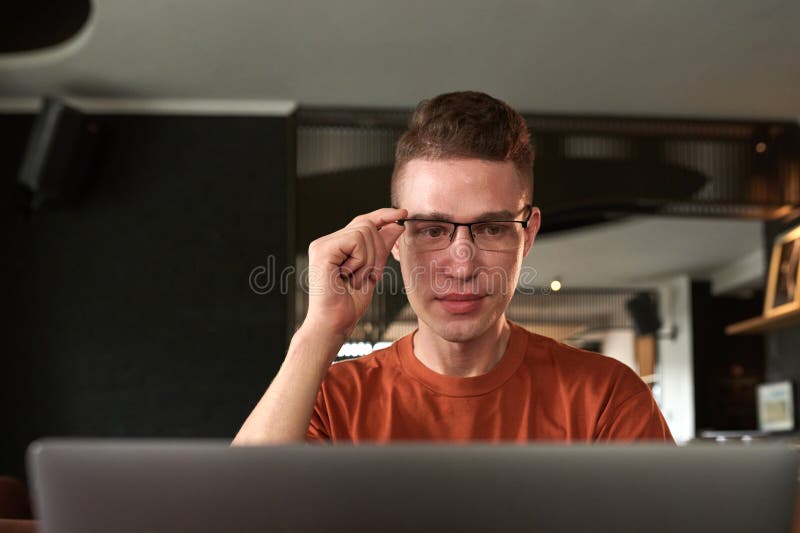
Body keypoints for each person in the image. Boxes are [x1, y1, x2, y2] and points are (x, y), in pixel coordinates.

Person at [233, 91, 674, 445]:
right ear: (396, 236)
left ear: (529, 233)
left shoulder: (605, 396)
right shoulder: (332, 400)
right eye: (431, 230)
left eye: (492, 228)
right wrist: (319, 332)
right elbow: (234, 514)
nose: (462, 265)